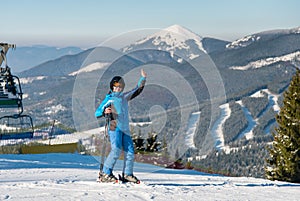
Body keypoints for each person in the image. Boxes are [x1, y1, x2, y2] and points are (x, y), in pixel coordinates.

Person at [95, 69, 147, 183]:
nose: (117, 88)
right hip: (114, 127)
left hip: (125, 129)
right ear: (112, 87)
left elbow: (136, 90)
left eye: (120, 87)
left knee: (130, 152)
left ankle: (127, 174)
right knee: (116, 150)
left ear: (122, 88)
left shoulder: (124, 97)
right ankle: (105, 173)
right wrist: (105, 111)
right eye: (115, 86)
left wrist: (143, 79)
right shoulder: (109, 99)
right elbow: (97, 113)